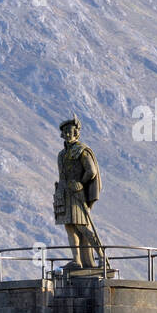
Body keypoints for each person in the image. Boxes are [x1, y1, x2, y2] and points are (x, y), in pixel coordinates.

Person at [53, 116, 102, 270]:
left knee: (83, 226)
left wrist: (80, 183)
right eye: (65, 132)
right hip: (63, 194)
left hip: (76, 194)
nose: (67, 134)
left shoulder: (82, 150)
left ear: (76, 133)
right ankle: (77, 261)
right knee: (69, 227)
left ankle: (101, 255)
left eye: (70, 131)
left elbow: (91, 171)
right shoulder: (61, 154)